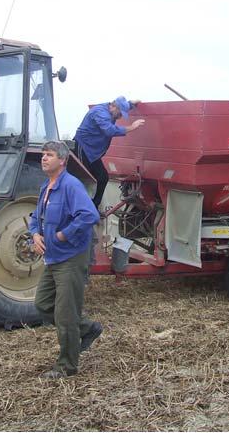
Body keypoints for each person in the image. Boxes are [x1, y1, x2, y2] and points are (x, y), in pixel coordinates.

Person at [29, 140, 102, 379]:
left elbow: (89, 215)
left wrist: (62, 234)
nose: (44, 158)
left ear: (62, 160)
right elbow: (35, 217)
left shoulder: (71, 186)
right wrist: (35, 234)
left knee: (65, 313)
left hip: (70, 256)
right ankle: (87, 328)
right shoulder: (46, 187)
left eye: (49, 155)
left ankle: (67, 366)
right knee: (42, 303)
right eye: (43, 154)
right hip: (53, 257)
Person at [73, 96, 145, 208]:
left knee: (103, 177)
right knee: (84, 179)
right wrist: (132, 127)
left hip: (92, 153)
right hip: (83, 148)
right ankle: (79, 208)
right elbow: (109, 130)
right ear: (113, 106)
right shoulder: (100, 113)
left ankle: (92, 207)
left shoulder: (112, 109)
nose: (120, 116)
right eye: (120, 113)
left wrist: (131, 103)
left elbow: (122, 107)